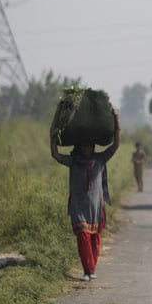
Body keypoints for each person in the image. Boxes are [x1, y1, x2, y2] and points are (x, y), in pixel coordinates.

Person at [50, 108, 121, 281]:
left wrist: (117, 120)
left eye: (89, 145)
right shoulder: (74, 161)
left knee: (95, 238)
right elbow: (56, 155)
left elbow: (116, 145)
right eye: (84, 145)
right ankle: (87, 270)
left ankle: (92, 269)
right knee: (82, 236)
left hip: (96, 206)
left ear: (93, 146)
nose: (87, 147)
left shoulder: (100, 159)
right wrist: (53, 134)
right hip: (79, 206)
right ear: (80, 146)